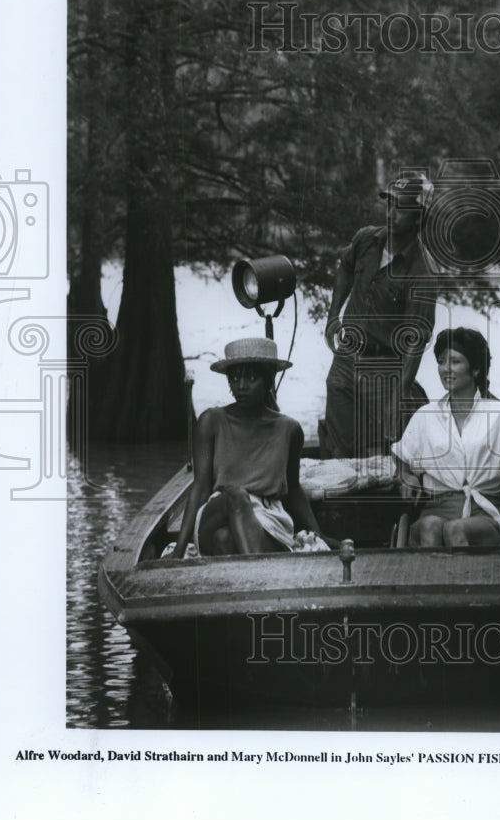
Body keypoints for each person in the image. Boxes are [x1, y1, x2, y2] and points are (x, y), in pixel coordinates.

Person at [171, 337, 335, 557]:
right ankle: (258, 570)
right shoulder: (211, 421)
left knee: (225, 540)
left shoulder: (289, 430)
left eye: (251, 377)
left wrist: (318, 534)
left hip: (268, 518)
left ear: (268, 381)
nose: (241, 386)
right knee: (235, 495)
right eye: (235, 377)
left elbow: (293, 489)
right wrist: (178, 552)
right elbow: (200, 488)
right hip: (218, 510)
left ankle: (250, 568)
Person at [323, 171, 437, 459]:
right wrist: (333, 315)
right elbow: (346, 267)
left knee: (381, 451)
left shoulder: (422, 272)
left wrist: (398, 394)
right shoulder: (365, 239)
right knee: (340, 445)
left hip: (384, 366)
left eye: (402, 207)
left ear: (418, 217)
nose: (392, 213)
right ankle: (341, 498)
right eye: (390, 204)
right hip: (347, 356)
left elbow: (415, 341)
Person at [391, 327, 500, 548]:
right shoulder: (425, 416)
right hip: (436, 508)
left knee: (456, 529)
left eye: (455, 362)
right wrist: (408, 478)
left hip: (487, 512)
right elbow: (402, 468)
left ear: (476, 369)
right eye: (441, 362)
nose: (445, 369)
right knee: (431, 526)